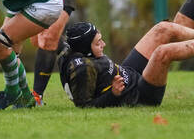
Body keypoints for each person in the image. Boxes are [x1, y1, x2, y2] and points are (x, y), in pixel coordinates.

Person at [58, 20, 194, 108]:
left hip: (130, 72)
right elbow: (84, 107)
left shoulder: (73, 48)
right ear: (85, 48)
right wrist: (113, 94)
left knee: (163, 28)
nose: (103, 44)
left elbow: (53, 40)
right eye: (97, 42)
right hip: (139, 96)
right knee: (162, 53)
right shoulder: (82, 69)